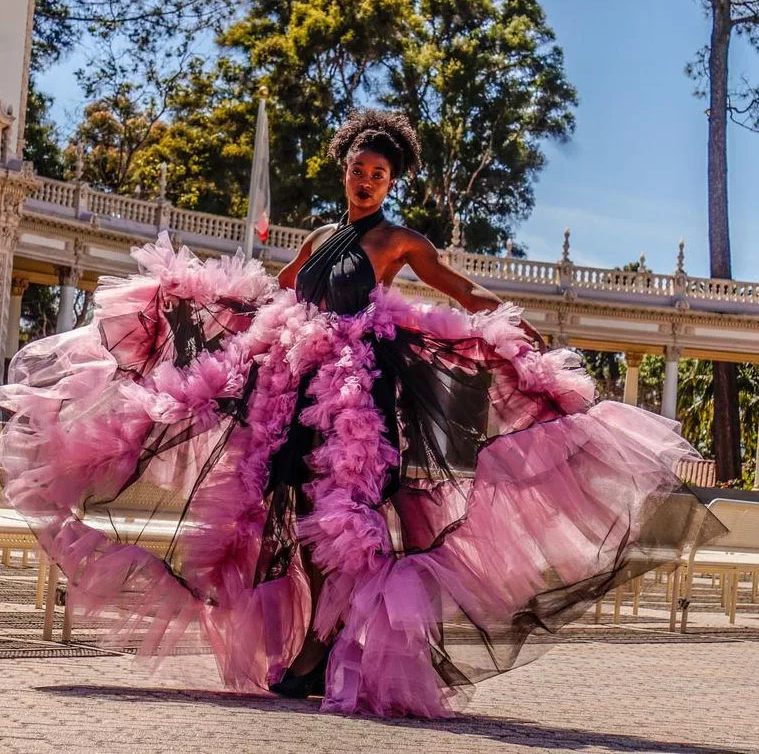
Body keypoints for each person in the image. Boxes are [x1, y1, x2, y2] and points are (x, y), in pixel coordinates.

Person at [0, 109, 723, 718]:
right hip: (296, 390)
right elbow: (279, 294)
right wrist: (212, 315)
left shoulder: (397, 240)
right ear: (344, 170)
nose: (366, 180)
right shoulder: (317, 239)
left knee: (342, 525)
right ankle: (309, 647)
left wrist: (497, 317)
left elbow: (455, 284)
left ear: (390, 182)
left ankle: (321, 650)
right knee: (290, 518)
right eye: (358, 169)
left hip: (355, 401)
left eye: (378, 174)